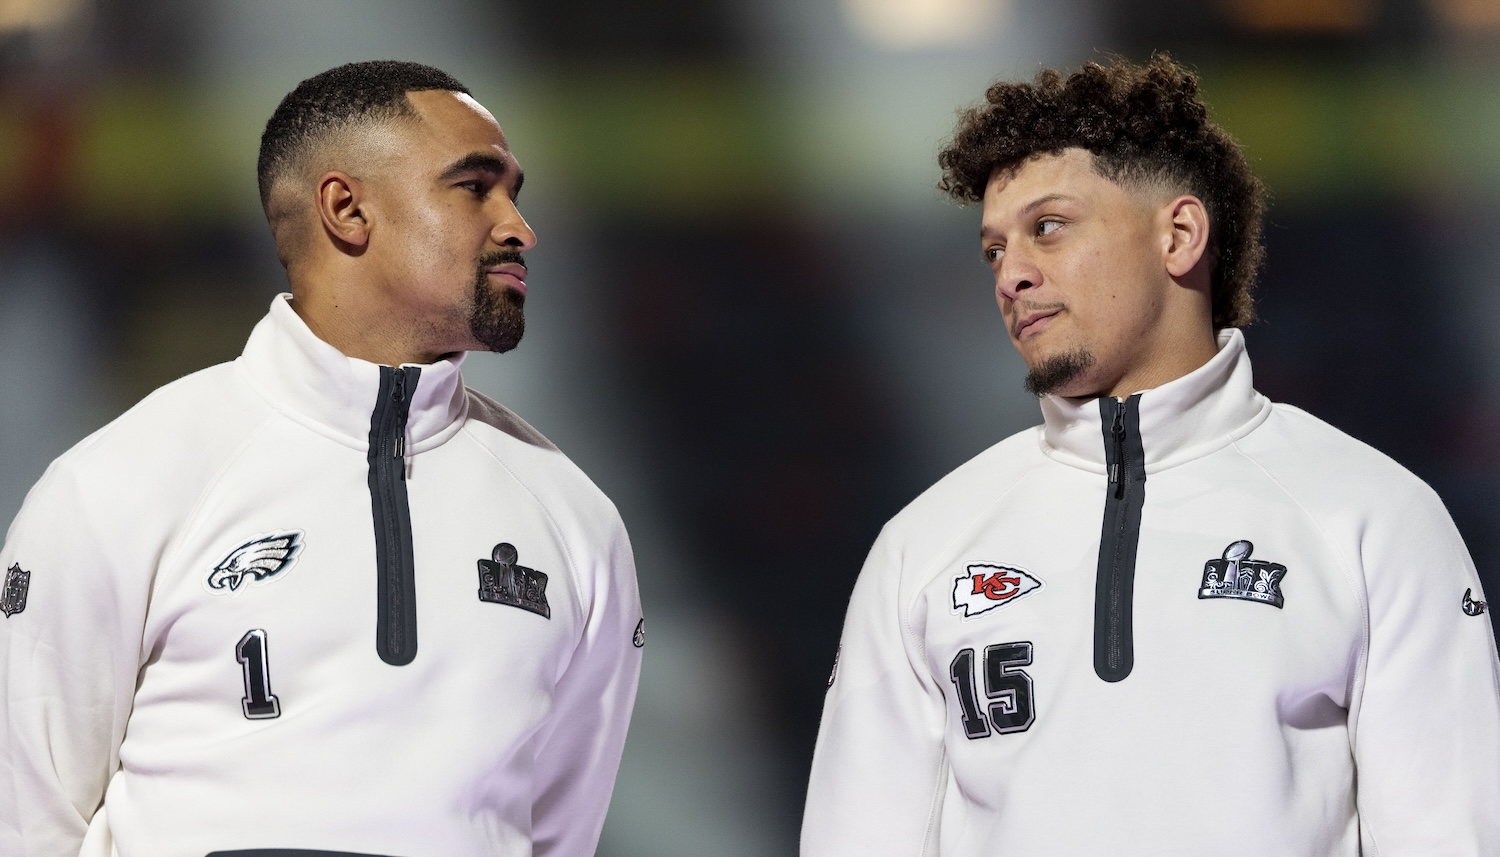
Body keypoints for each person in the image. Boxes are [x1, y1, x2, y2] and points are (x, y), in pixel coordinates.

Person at [801, 55, 1500, 856]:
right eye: (995, 251)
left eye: (1049, 227)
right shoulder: (921, 546)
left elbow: (1449, 834)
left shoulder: (1373, 515)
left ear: (1179, 235)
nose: (1013, 275)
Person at [0, 61, 643, 857]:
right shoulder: (117, 484)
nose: (518, 227)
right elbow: (25, 828)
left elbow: (558, 837)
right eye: (476, 187)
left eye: (514, 192)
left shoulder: (574, 522)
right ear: (346, 209)